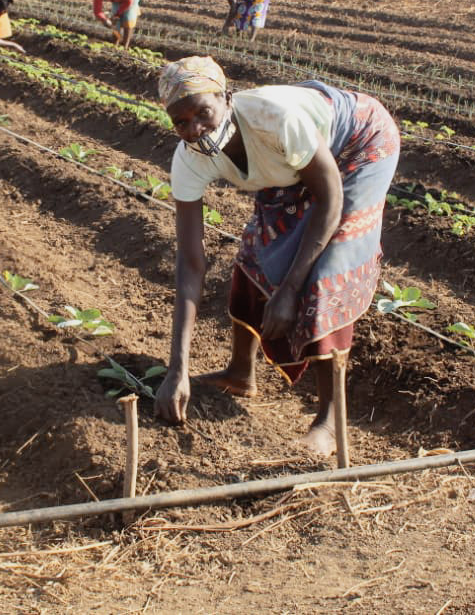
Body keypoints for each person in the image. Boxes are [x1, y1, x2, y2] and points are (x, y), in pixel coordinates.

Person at [153, 56, 400, 455]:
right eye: (181, 122)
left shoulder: (273, 119)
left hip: (358, 144)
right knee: (255, 253)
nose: (195, 129)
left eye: (204, 112)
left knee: (326, 273)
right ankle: (240, 372)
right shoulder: (189, 157)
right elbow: (191, 262)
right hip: (292, 161)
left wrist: (289, 290)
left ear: (227, 98)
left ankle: (330, 423)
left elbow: (330, 198)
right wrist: (176, 368)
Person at [204, 0, 272, 40]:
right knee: (241, 11)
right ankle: (238, 38)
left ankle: (251, 41)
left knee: (257, 13)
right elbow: (235, 8)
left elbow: (234, 6)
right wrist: (229, 22)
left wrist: (226, 25)